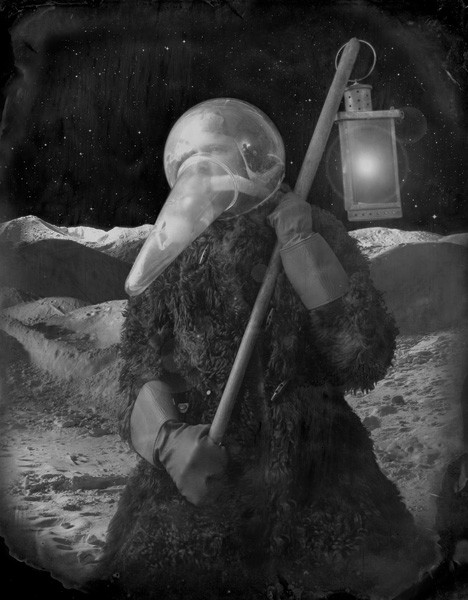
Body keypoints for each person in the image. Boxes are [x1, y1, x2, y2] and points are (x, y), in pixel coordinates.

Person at [94, 101, 430, 599]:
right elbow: (138, 362)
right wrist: (166, 440)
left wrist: (304, 248)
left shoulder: (314, 228)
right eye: (202, 157)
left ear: (251, 159)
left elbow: (365, 356)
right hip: (209, 467)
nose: (212, 169)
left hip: (322, 469)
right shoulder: (176, 246)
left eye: (223, 154)